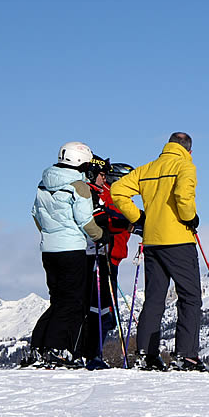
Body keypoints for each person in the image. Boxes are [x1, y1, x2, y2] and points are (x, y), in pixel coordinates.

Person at [110, 132, 205, 371]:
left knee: (153, 299)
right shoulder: (185, 166)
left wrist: (138, 218)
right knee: (189, 298)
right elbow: (183, 197)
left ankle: (146, 354)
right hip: (179, 241)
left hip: (151, 241)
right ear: (189, 150)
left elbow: (117, 191)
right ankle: (186, 356)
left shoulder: (147, 169)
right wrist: (190, 218)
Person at [27, 142, 106, 368]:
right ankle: (56, 349)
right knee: (72, 302)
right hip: (71, 250)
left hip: (49, 250)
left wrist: (50, 233)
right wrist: (101, 235)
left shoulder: (43, 183)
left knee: (58, 300)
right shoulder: (79, 186)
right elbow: (85, 221)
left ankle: (39, 348)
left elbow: (35, 214)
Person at [83, 157, 135, 369]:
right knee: (103, 312)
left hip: (112, 257)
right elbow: (112, 221)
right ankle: (92, 355)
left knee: (105, 312)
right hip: (104, 258)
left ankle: (94, 354)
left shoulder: (114, 197)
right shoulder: (110, 197)